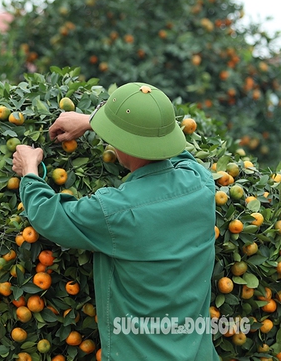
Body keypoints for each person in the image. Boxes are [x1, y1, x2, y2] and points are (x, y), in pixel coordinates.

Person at [12, 82, 220, 360]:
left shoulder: (115, 211)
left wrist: (29, 170)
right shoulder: (201, 183)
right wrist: (90, 122)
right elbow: (173, 149)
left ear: (121, 144)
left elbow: (50, 216)